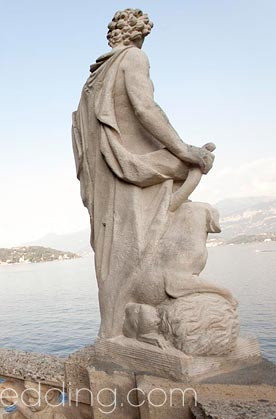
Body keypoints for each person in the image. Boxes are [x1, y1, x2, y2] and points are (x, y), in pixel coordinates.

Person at [71, 9, 223, 339]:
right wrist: (186, 151)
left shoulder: (90, 84)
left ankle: (113, 327)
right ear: (137, 35)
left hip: (102, 181)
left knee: (114, 254)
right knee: (189, 168)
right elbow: (144, 108)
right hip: (125, 167)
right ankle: (152, 293)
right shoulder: (134, 58)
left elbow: (83, 144)